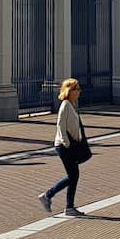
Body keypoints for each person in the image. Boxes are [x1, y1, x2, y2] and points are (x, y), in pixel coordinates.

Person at [38, 78, 88, 217]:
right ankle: (48, 195)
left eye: (79, 88)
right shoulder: (65, 105)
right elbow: (61, 126)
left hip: (69, 145)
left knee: (73, 176)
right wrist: (67, 143)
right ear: (69, 91)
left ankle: (69, 206)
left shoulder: (71, 104)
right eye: (76, 89)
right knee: (73, 176)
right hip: (64, 146)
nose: (79, 91)